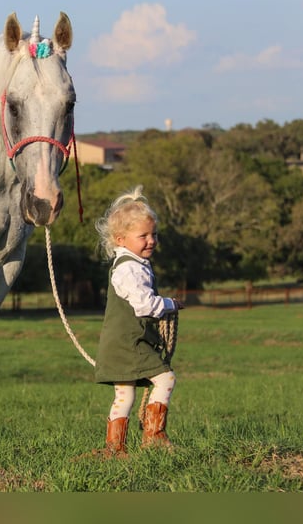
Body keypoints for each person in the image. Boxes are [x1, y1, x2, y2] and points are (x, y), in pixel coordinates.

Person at [93, 186, 183, 458]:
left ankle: (115, 447)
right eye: (142, 236)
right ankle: (153, 437)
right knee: (166, 379)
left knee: (125, 395)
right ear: (121, 239)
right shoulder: (131, 269)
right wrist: (170, 304)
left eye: (153, 234)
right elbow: (145, 305)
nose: (151, 240)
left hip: (120, 342)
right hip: (129, 343)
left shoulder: (131, 263)